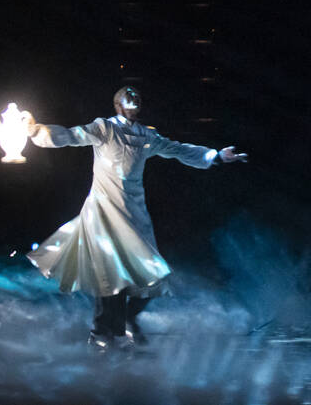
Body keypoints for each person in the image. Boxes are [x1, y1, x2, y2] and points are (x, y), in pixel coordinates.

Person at [22, 86, 247, 351]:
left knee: (152, 275)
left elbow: (178, 150)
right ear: (117, 105)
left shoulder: (146, 136)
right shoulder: (104, 129)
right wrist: (36, 130)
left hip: (133, 214)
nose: (132, 101)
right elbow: (70, 136)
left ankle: (126, 321)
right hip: (103, 212)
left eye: (136, 98)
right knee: (109, 275)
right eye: (126, 98)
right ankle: (103, 334)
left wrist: (216, 156)